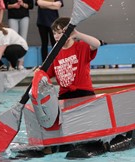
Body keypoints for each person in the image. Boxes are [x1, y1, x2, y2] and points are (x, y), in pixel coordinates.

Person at [31, 17, 105, 156]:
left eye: (60, 32)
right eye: (54, 33)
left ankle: (88, 144)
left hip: (84, 93)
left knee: (84, 124)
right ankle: (60, 145)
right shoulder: (54, 54)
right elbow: (46, 75)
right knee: (63, 125)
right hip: (64, 95)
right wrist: (39, 73)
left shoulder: (81, 46)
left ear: (69, 33)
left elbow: (97, 44)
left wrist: (77, 34)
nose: (57, 36)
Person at [4, 0, 34, 70]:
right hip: (12, 16)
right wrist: (13, 6)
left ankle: (21, 63)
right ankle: (12, 64)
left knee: (23, 39)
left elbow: (31, 6)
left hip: (24, 16)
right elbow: (5, 5)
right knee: (12, 40)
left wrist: (23, 4)